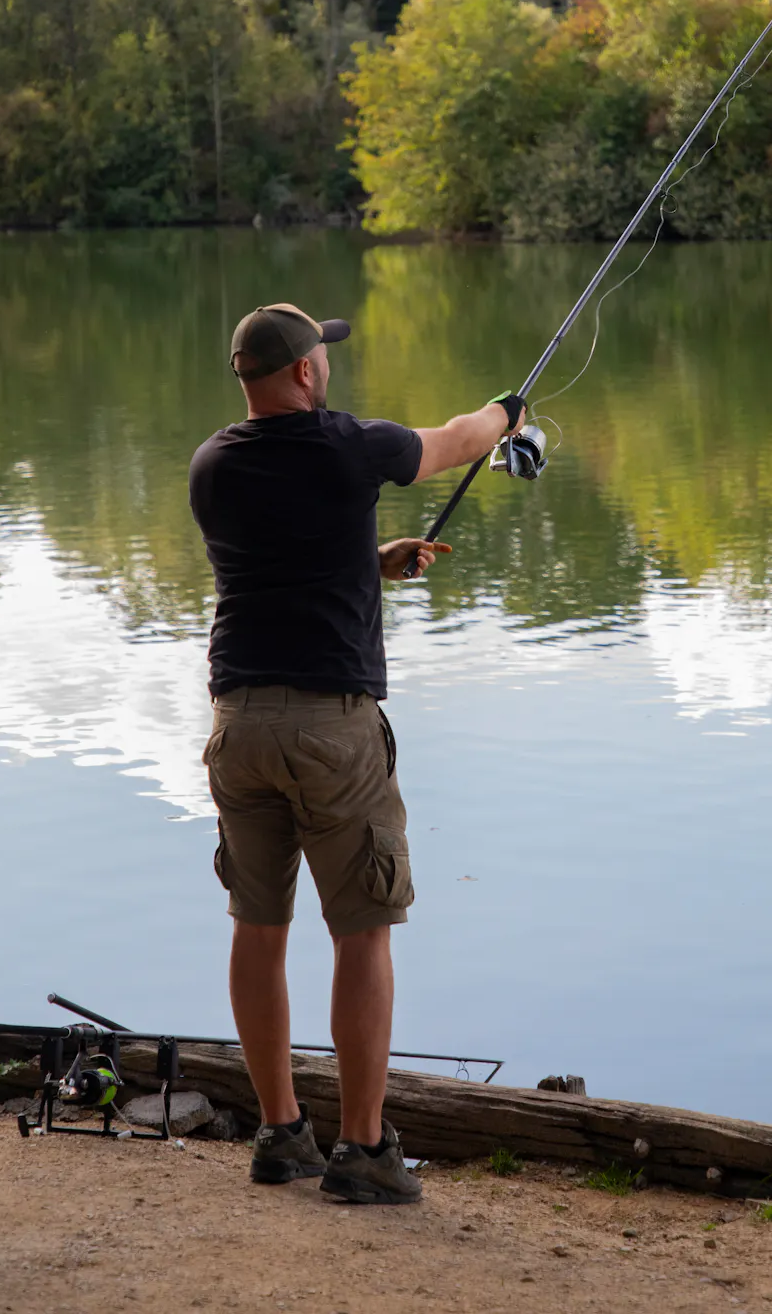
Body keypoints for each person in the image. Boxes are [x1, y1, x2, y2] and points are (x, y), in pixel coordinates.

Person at [189, 301, 526, 1205]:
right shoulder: (348, 445)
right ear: (303, 371)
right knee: (362, 931)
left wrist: (370, 560)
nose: (327, 367)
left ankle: (280, 1134)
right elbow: (457, 439)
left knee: (258, 930)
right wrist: (507, 414)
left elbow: (277, 564)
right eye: (321, 356)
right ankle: (366, 1152)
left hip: (238, 724)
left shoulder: (212, 464)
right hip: (332, 730)